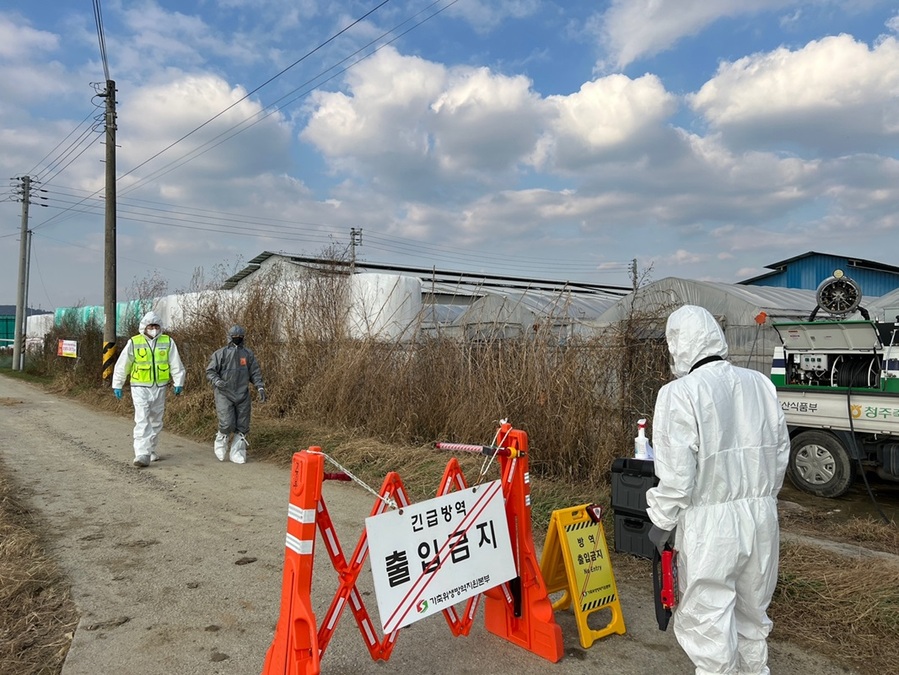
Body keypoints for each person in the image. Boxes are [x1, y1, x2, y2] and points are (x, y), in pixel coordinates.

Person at [645, 305, 789, 675]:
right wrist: (763, 496)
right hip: (761, 518)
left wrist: (660, 520)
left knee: (708, 625)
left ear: (677, 344)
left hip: (711, 526)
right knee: (752, 620)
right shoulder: (760, 384)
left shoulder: (679, 393)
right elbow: (779, 452)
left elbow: (678, 477)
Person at [112, 310, 186, 468]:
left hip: (160, 387)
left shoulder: (167, 341)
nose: (153, 328)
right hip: (140, 387)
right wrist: (117, 384)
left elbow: (175, 363)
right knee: (142, 419)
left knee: (156, 421)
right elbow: (123, 364)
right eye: (150, 326)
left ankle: (150, 449)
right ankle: (141, 454)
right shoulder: (134, 342)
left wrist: (178, 382)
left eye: (156, 326)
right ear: (144, 327)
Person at [205, 325, 266, 464]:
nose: (237, 340)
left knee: (243, 424)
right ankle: (221, 441)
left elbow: (254, 372)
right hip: (224, 393)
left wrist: (260, 387)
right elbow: (210, 371)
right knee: (226, 422)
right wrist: (217, 381)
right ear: (229, 337)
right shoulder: (220, 354)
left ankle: (237, 451)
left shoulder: (248, 354)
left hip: (242, 393)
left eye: (240, 338)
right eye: (234, 337)